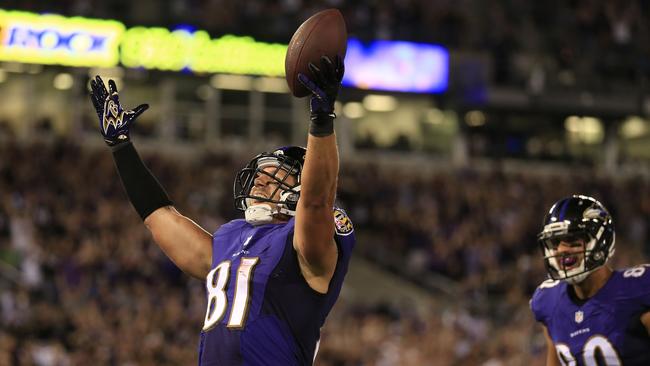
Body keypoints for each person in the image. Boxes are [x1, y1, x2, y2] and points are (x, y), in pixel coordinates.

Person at [89, 55, 355, 365]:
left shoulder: (305, 241)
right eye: (258, 175)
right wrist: (122, 148)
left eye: (274, 175)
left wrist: (322, 119)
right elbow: (159, 216)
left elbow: (316, 202)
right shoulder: (233, 236)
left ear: (300, 185)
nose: (259, 182)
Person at [530, 195, 650, 365]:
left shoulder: (638, 289)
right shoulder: (548, 301)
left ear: (600, 242)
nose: (562, 250)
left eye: (572, 241)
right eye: (555, 243)